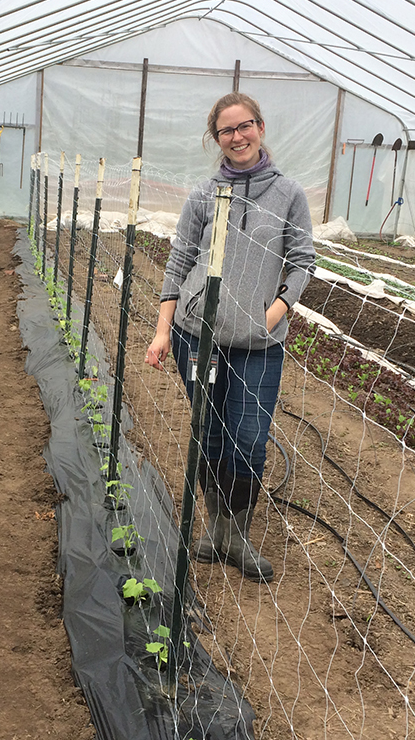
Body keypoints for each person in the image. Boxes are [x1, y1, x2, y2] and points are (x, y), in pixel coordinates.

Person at [145, 92, 315, 583]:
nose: (237, 137)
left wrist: (274, 312)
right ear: (214, 138)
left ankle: (238, 534)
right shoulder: (203, 195)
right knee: (210, 430)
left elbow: (302, 260)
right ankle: (217, 530)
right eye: (226, 130)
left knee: (249, 438)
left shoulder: (288, 193)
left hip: (259, 343)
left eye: (245, 126)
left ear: (260, 127)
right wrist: (162, 331)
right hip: (198, 337)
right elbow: (178, 263)